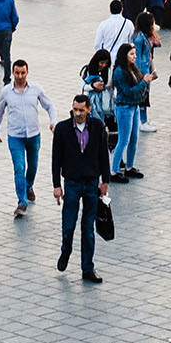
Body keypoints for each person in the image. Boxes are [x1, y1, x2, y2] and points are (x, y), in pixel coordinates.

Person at [51, 93, 112, 281]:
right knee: (68, 224)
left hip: (91, 182)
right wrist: (56, 185)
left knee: (88, 228)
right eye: (75, 109)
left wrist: (105, 180)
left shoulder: (97, 127)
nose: (77, 113)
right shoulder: (62, 129)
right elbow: (56, 159)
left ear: (89, 109)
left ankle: (87, 268)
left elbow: (103, 154)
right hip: (71, 182)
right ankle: (66, 250)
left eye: (81, 110)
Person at [0, 59, 57, 218]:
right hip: (15, 136)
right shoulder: (6, 91)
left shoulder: (36, 89)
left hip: (33, 135)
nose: (20, 76)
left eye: (23, 73)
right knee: (19, 167)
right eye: (17, 73)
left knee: (33, 166)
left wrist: (53, 121)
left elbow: (49, 105)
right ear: (13, 73)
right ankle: (21, 201)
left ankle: (29, 186)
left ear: (27, 73)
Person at [108, 42, 150, 181]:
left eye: (135, 54)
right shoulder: (120, 71)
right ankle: (113, 171)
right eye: (131, 54)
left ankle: (129, 167)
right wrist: (144, 82)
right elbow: (128, 92)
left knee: (134, 138)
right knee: (123, 140)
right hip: (124, 107)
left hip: (134, 106)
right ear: (124, 55)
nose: (134, 57)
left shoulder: (132, 68)